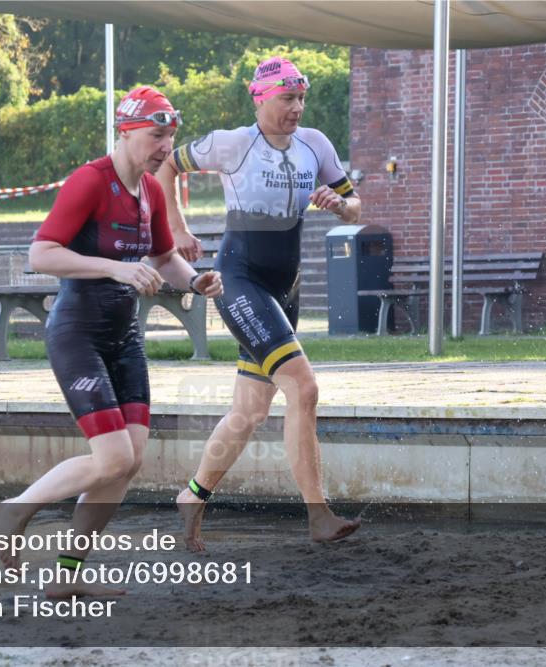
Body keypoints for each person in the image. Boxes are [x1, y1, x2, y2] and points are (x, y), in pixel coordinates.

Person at [0, 86, 222, 595]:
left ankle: (65, 576)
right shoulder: (89, 182)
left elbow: (164, 257)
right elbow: (41, 254)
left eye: (170, 137)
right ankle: (14, 510)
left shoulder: (152, 191)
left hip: (125, 339)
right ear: (126, 132)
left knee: (128, 460)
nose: (165, 147)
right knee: (113, 458)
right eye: (156, 135)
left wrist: (195, 281)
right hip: (79, 334)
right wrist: (115, 268)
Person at [157, 56, 362, 550]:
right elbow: (165, 164)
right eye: (287, 99)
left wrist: (340, 205)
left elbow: (355, 202)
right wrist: (178, 229)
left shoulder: (316, 144)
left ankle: (193, 496)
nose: (297, 108)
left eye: (301, 99)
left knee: (248, 413)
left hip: (285, 286)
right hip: (239, 280)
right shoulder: (233, 143)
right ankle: (318, 515)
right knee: (304, 388)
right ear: (261, 98)